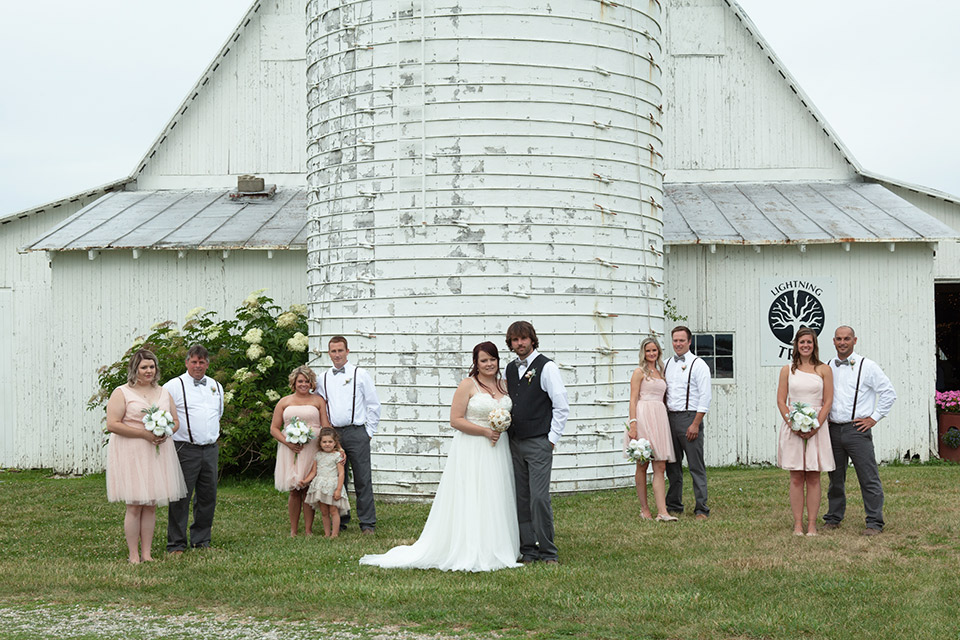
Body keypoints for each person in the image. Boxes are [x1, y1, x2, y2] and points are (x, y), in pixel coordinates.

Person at [360, 342, 521, 571]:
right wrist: (485, 431)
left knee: (495, 492)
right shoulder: (468, 385)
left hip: (498, 447)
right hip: (473, 446)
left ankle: (498, 545)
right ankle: (471, 547)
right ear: (475, 363)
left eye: (492, 359)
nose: (489, 364)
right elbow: (455, 420)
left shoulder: (504, 385)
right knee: (473, 493)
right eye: (483, 360)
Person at [105, 349, 187, 563]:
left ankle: (147, 554)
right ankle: (133, 555)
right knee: (134, 505)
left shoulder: (163, 392)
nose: (149, 371)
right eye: (144, 367)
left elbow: (176, 421)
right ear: (135, 369)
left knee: (150, 504)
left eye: (151, 367)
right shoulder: (121, 392)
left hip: (157, 452)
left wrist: (165, 430)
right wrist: (144, 433)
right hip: (132, 452)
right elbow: (112, 424)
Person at [504, 321, 569, 564]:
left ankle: (549, 551)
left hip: (539, 442)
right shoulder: (509, 369)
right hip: (514, 443)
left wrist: (551, 440)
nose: (519, 343)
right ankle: (528, 549)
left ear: (532, 339)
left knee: (539, 498)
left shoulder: (547, 367)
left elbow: (561, 406)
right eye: (514, 340)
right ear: (510, 343)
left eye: (523, 339)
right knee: (521, 497)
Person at [823, 326, 897, 535]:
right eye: (839, 339)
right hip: (833, 430)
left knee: (868, 477)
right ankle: (833, 518)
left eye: (847, 339)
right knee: (835, 478)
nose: (842, 342)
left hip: (857, 430)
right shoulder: (827, 366)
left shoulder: (868, 366)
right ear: (834, 341)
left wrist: (873, 418)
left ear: (855, 340)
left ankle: (874, 522)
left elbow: (888, 393)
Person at [317, 336, 381, 534]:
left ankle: (367, 523)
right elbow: (322, 406)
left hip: (357, 431)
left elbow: (373, 404)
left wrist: (368, 432)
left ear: (347, 351)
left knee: (363, 478)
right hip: (334, 434)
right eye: (333, 351)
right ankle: (341, 520)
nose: (337, 355)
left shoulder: (360, 374)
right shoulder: (323, 378)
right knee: (337, 478)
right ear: (329, 353)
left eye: (340, 351)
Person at [164, 344, 223, 554]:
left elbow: (218, 414)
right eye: (194, 361)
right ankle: (176, 544)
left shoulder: (215, 385)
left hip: (210, 449)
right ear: (187, 362)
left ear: (207, 364)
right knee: (181, 497)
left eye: (202, 362)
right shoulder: (173, 385)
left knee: (208, 496)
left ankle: (201, 540)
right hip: (184, 449)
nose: (198, 366)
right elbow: (165, 416)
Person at [776, 327, 835, 536]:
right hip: (793, 427)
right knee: (796, 477)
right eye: (802, 342)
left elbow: (827, 402)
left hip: (817, 426)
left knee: (813, 476)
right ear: (796, 345)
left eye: (809, 342)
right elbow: (781, 401)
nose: (805, 346)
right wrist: (792, 423)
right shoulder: (787, 370)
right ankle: (798, 524)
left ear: (814, 345)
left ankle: (812, 524)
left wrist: (815, 425)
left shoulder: (824, 370)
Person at [270, 365, 330, 536]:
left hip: (312, 447)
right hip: (291, 449)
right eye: (300, 381)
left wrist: (333, 446)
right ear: (294, 383)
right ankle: (294, 530)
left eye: (307, 381)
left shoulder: (318, 401)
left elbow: (325, 425)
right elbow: (274, 428)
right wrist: (288, 443)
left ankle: (308, 530)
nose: (303, 384)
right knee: (294, 489)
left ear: (312, 383)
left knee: (308, 488)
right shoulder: (284, 402)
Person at [626, 338, 677, 522]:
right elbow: (633, 399)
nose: (652, 354)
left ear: (658, 352)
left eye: (654, 350)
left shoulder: (661, 372)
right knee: (642, 463)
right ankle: (644, 508)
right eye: (648, 351)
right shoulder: (639, 372)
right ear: (643, 352)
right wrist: (633, 423)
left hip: (659, 417)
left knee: (660, 465)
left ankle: (662, 511)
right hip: (644, 416)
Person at [664, 326, 711, 519]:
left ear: (689, 342)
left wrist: (695, 423)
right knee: (672, 466)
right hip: (669, 418)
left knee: (695, 466)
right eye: (675, 340)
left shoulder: (699, 365)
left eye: (682, 340)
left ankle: (701, 508)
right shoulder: (666, 363)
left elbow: (705, 397)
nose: (678, 344)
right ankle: (674, 504)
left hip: (690, 418)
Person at [304, 427, 350, 538]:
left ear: (335, 443)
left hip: (333, 486)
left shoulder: (338, 456)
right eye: (324, 442)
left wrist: (338, 489)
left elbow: (341, 474)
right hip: (320, 486)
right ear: (320, 442)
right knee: (324, 511)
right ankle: (326, 533)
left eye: (330, 442)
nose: (327, 444)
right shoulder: (318, 455)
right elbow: (313, 472)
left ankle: (334, 534)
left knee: (333, 510)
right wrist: (305, 481)